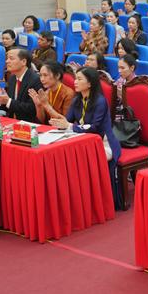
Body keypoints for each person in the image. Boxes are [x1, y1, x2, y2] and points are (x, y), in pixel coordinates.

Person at [49, 66, 123, 206]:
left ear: (89, 83)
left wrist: (69, 126)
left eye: (79, 79)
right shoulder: (77, 100)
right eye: (75, 78)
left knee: (78, 160)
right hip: (85, 141)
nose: (75, 82)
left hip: (104, 143)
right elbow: (68, 120)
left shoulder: (100, 101)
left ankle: (91, 200)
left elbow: (94, 128)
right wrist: (60, 123)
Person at [0, 47, 41, 123]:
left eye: (11, 58)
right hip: (12, 122)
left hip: (29, 124)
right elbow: (9, 106)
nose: (7, 61)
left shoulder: (36, 80)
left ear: (23, 62)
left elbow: (32, 109)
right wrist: (0, 100)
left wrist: (8, 101)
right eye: (7, 58)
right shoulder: (12, 78)